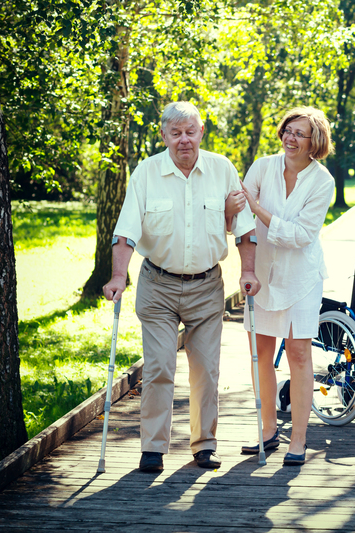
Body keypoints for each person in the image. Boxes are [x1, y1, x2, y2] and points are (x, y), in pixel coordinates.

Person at [102, 101, 260, 472]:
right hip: (157, 284)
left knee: (206, 369)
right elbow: (125, 231)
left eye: (190, 132)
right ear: (164, 136)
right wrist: (118, 276)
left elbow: (244, 229)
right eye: (176, 133)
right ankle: (153, 448)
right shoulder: (147, 172)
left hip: (206, 286)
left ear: (201, 132)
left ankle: (204, 445)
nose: (184, 140)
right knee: (159, 366)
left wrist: (248, 271)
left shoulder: (221, 169)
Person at [239, 106, 335, 466]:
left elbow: (301, 236)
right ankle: (267, 431)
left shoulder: (322, 181)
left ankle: (299, 439)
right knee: (260, 353)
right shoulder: (263, 167)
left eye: (299, 133)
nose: (290, 138)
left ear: (314, 142)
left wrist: (257, 208)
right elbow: (240, 211)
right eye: (287, 131)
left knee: (298, 354)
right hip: (262, 274)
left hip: (301, 278)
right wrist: (239, 208)